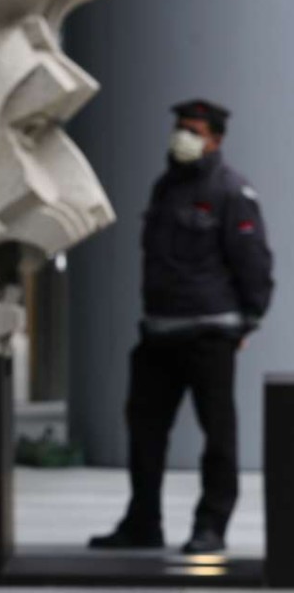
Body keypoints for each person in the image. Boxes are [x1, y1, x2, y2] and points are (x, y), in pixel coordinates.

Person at [89, 99, 275, 554]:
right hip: (158, 333)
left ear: (215, 139)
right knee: (145, 432)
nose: (181, 137)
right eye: (179, 128)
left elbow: (254, 264)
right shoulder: (165, 187)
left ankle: (210, 527)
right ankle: (142, 523)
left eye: (192, 129)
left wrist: (247, 322)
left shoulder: (232, 191)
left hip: (209, 335)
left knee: (217, 435)